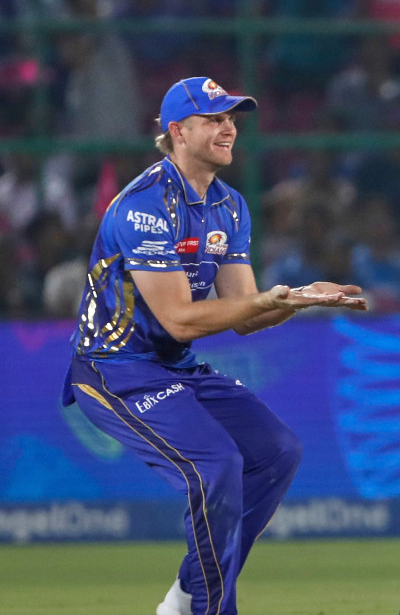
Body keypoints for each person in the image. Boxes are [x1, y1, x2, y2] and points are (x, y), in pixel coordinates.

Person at [61, 77, 367, 615]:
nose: (229, 127)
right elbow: (181, 320)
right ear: (178, 131)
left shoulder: (229, 205)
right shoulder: (143, 206)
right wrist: (276, 298)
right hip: (115, 371)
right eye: (215, 119)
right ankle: (207, 607)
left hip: (174, 367)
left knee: (277, 453)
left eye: (232, 118)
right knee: (216, 465)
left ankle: (184, 597)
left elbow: (244, 314)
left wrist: (301, 299)